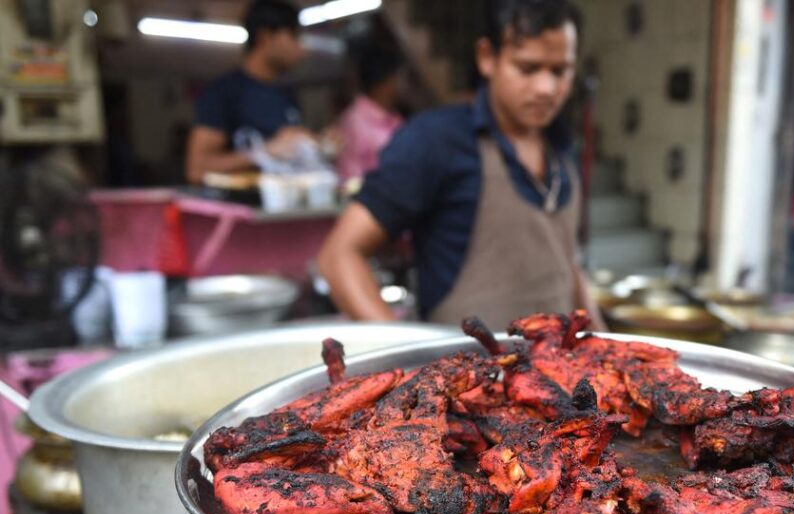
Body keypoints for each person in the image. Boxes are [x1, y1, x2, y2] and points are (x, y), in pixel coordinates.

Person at [317, 0, 601, 330]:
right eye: (528, 68)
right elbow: (339, 256)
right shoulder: (436, 141)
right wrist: (410, 359)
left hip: (562, 375)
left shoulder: (562, 151)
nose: (546, 89)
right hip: (470, 377)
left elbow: (568, 264)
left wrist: (606, 343)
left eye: (560, 71)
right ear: (487, 57)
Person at [185, 0, 310, 185]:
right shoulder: (224, 93)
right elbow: (197, 169)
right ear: (265, 37)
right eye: (293, 37)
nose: (301, 50)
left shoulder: (287, 96)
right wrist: (265, 152)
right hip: (240, 210)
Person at [335, 44, 406, 186]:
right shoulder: (354, 121)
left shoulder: (394, 118)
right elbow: (350, 178)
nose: (405, 83)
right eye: (401, 76)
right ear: (388, 80)